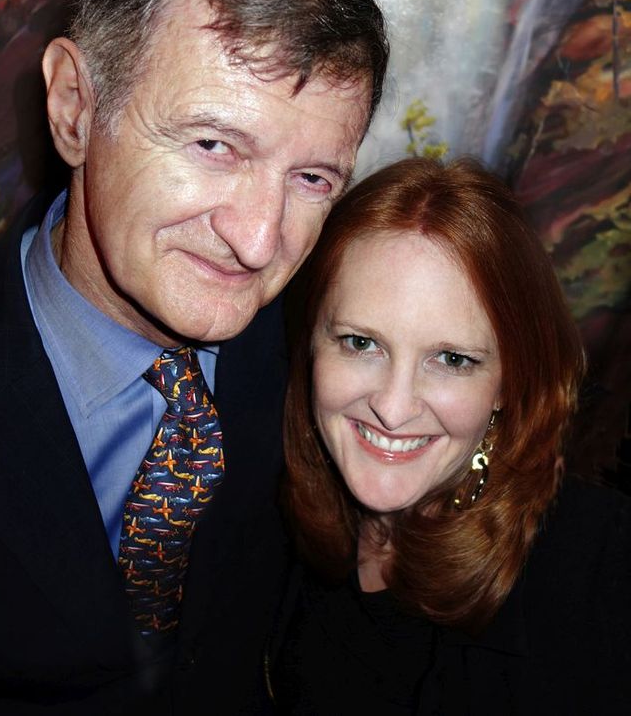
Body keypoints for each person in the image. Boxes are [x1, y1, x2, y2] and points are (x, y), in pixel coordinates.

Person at [0, 0, 388, 715]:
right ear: (75, 108)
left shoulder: (325, 366)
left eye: (313, 178)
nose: (258, 239)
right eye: (213, 144)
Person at [269, 156, 631, 715]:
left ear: (510, 382)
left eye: (453, 359)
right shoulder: (261, 502)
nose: (392, 409)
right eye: (361, 343)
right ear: (310, 343)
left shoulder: (601, 569)